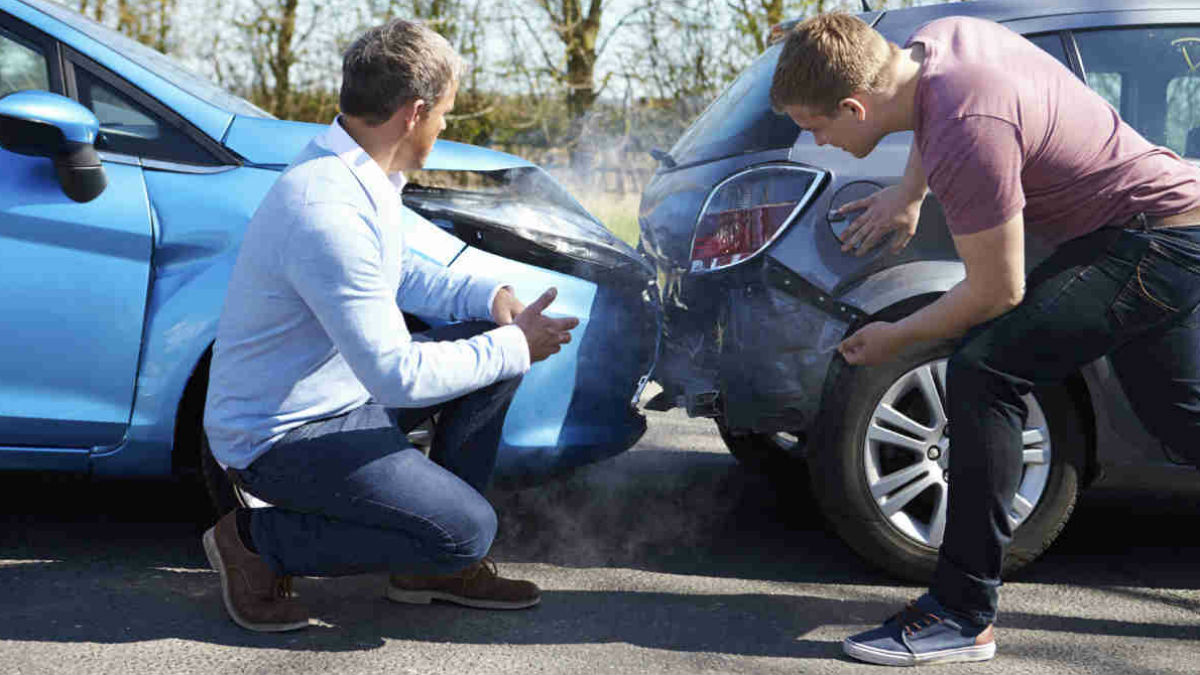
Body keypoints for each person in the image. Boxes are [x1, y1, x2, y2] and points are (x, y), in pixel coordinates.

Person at [770, 12, 1200, 666]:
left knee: (984, 370)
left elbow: (997, 291)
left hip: (1150, 240)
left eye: (817, 126)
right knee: (1182, 419)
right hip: (1165, 222)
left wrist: (898, 337)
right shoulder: (937, 45)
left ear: (855, 106)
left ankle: (960, 612)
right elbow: (929, 110)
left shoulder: (967, 129)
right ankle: (960, 609)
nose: (820, 141)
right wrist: (909, 194)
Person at [201, 19, 579, 632]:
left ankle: (427, 564)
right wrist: (513, 346)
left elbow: (400, 273)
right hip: (281, 436)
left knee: (491, 357)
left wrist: (492, 298)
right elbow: (398, 376)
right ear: (415, 112)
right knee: (467, 530)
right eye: (446, 115)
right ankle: (254, 542)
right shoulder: (326, 208)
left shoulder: (355, 172)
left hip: (342, 399)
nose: (445, 127)